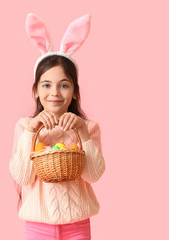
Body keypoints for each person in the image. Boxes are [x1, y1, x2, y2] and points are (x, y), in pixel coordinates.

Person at [9, 13, 106, 240]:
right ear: (35, 91)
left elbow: (93, 175)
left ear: (74, 92)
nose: (54, 93)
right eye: (46, 85)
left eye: (64, 85)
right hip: (38, 226)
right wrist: (32, 132)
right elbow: (22, 176)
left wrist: (82, 132)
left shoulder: (88, 128)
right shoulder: (25, 127)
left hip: (77, 225)